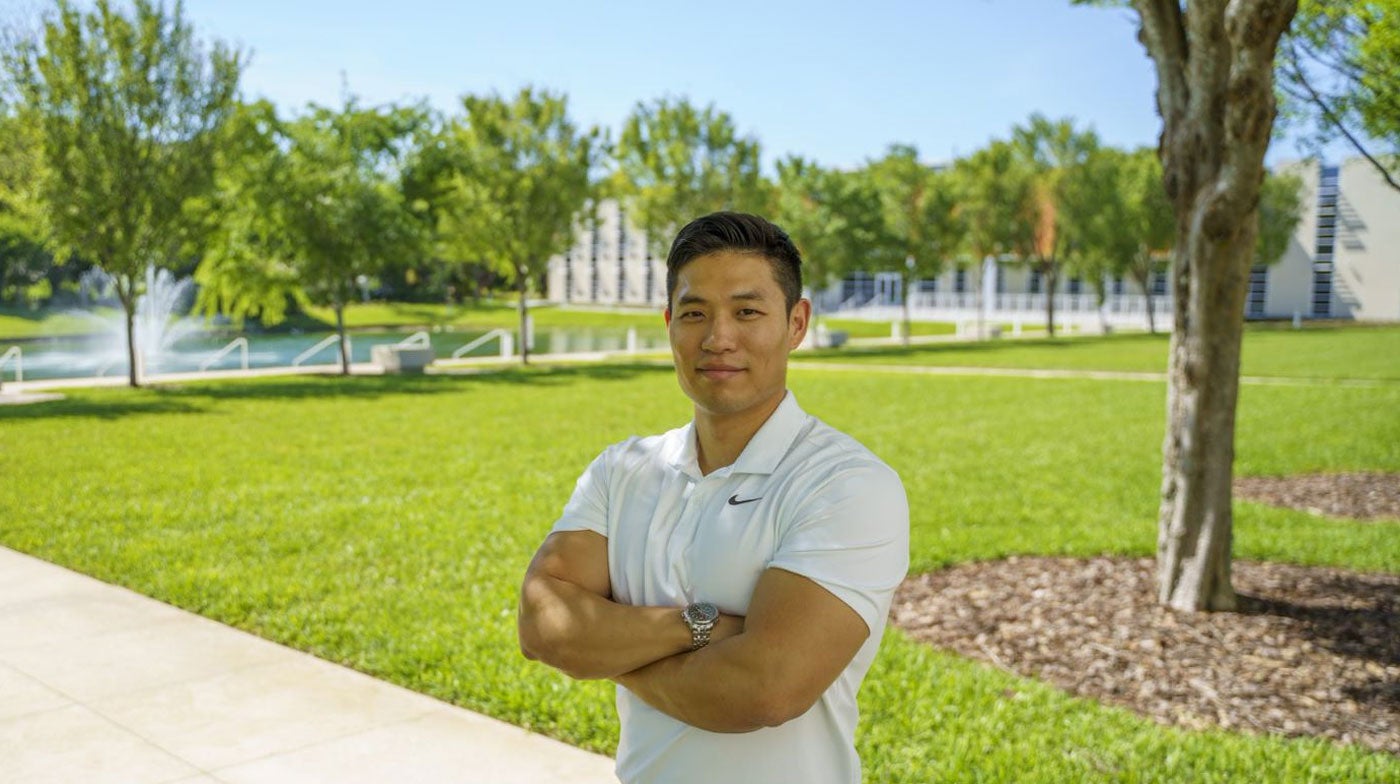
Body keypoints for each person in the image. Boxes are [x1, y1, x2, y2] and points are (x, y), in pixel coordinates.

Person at [517, 212, 909, 784]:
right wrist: (700, 626)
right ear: (669, 323)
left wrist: (607, 650)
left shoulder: (846, 485)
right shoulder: (623, 470)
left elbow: (762, 691)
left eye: (747, 311)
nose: (718, 337)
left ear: (796, 323)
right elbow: (540, 620)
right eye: (695, 313)